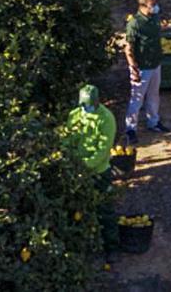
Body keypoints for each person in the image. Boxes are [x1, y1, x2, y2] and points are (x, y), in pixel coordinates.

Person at [64, 84, 119, 258]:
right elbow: (68, 141)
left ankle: (112, 248)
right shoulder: (74, 116)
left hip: (98, 172)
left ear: (97, 102)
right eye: (83, 105)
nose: (85, 108)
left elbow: (102, 151)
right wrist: (70, 162)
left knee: (105, 210)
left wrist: (84, 167)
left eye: (88, 105)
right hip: (77, 171)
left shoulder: (106, 119)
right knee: (78, 209)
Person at [124, 0, 170, 144]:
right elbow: (128, 48)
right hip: (142, 67)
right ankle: (131, 129)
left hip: (155, 63)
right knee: (136, 99)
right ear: (143, 6)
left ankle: (154, 122)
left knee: (153, 95)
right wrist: (133, 68)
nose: (155, 7)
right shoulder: (135, 23)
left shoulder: (155, 17)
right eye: (152, 5)